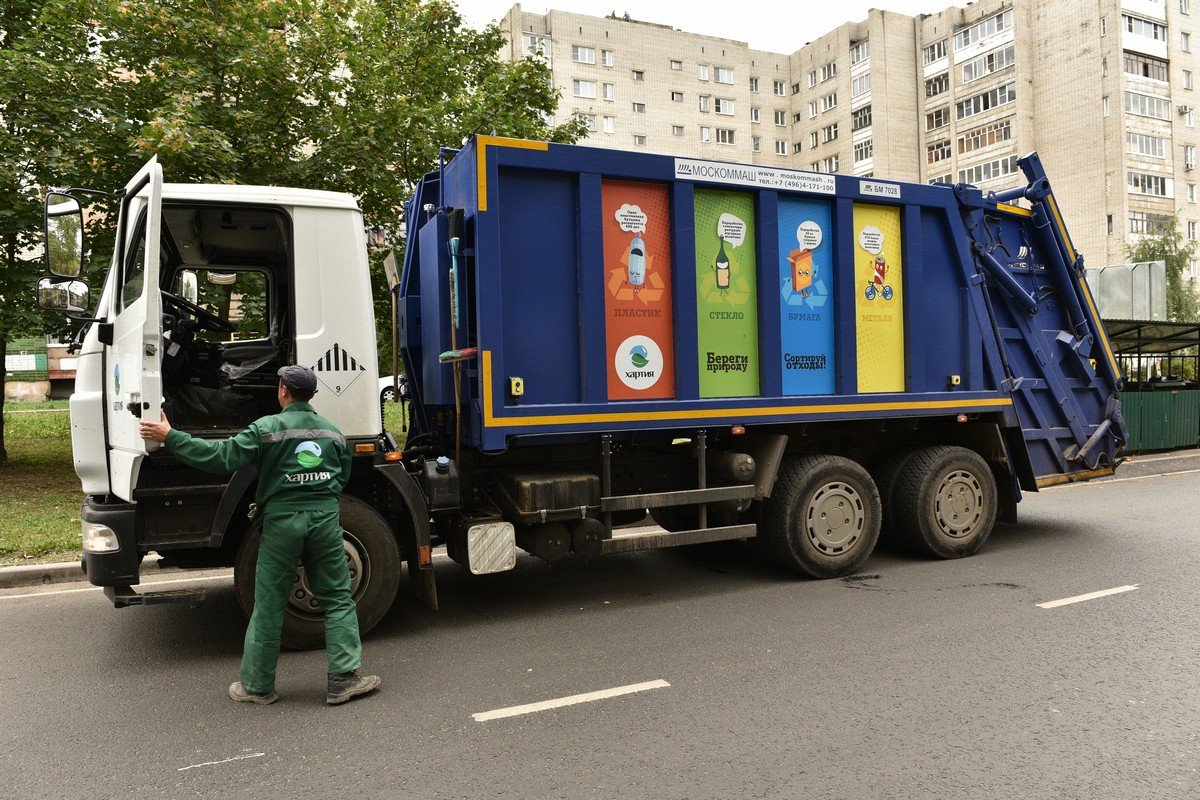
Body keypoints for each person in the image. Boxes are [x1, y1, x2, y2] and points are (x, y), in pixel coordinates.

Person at [139, 365, 380, 706]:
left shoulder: (266, 430)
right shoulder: (333, 433)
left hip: (282, 522)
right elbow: (342, 475)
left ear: (283, 390)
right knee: (338, 598)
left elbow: (220, 457)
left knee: (268, 604)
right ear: (311, 395)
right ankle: (343, 680)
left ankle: (257, 686)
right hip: (325, 519)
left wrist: (170, 436)